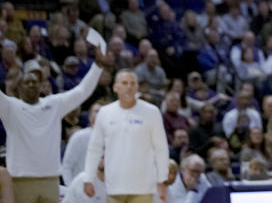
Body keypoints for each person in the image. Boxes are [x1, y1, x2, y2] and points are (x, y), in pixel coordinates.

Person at [0, 51, 103, 203]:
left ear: (40, 86)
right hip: (21, 179)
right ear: (19, 87)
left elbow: (81, 91)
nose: (31, 85)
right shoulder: (10, 107)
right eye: (27, 82)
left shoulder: (53, 104)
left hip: (50, 179)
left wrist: (98, 66)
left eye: (34, 82)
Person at [84, 69, 170, 203]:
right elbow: (95, 148)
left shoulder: (152, 112)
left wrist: (162, 180)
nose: (129, 87)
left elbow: (161, 149)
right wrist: (88, 178)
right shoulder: (105, 113)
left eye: (132, 83)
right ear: (115, 87)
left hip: (143, 188)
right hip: (114, 187)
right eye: (124, 83)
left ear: (137, 87)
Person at [62, 101, 104, 186]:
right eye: (97, 111)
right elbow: (66, 166)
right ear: (89, 116)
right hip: (80, 188)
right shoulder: (79, 137)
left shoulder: (113, 138)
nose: (100, 114)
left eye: (103, 111)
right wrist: (70, 188)